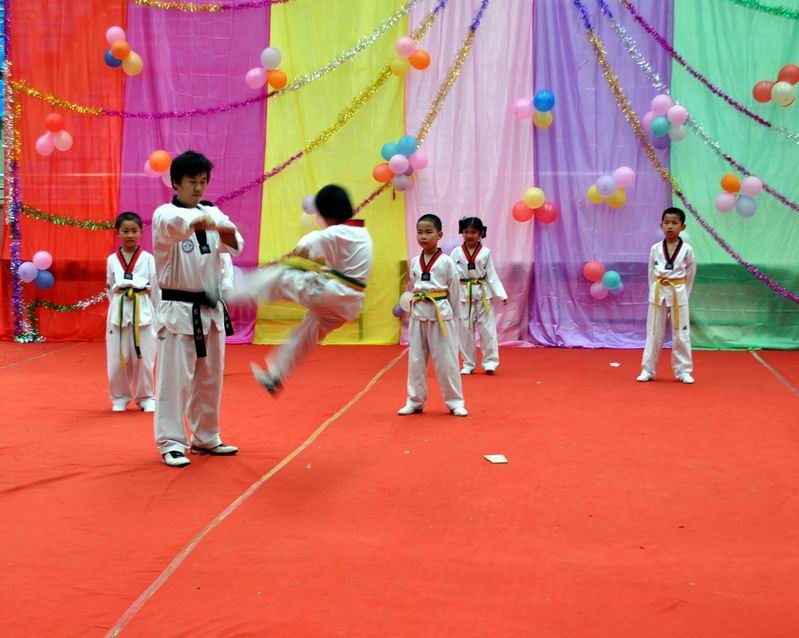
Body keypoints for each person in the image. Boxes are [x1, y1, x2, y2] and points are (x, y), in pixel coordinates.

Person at [228, 185, 373, 393]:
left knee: (281, 276)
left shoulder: (339, 231)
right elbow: (348, 263)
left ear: (327, 214)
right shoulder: (362, 233)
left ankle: (228, 294)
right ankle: (276, 375)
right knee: (305, 334)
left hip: (334, 293)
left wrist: (302, 249)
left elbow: (312, 241)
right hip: (349, 305)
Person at [152, 150, 243, 468]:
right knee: (174, 380)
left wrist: (218, 224)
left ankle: (206, 436)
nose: (199, 188)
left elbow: (235, 242)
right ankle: (171, 442)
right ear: (176, 183)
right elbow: (176, 225)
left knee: (210, 378)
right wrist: (199, 219)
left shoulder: (212, 212)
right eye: (192, 182)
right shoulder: (164, 214)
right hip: (179, 310)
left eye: (203, 181)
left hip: (211, 311)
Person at [398, 214, 467, 417]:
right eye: (420, 232)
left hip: (441, 316)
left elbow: (455, 291)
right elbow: (413, 285)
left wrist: (453, 316)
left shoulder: (446, 262)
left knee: (446, 360)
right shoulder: (414, 262)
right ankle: (414, 400)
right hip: (419, 314)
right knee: (416, 360)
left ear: (440, 235)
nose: (423, 236)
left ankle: (455, 401)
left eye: (429, 232)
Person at [637, 207, 697, 384]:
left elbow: (690, 275)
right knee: (653, 332)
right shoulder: (655, 248)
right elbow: (650, 273)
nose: (670, 226)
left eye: (674, 223)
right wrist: (653, 293)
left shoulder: (687, 250)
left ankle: (683, 370)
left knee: (681, 333)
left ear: (682, 227)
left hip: (679, 292)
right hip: (658, 291)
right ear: (661, 225)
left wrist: (684, 294)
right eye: (666, 222)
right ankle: (648, 369)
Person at [106, 212, 158, 412]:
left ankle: (146, 397)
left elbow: (155, 286)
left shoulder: (148, 259)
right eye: (125, 231)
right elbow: (110, 286)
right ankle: (119, 396)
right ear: (118, 232)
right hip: (119, 311)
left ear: (141, 232)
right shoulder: (112, 259)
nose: (130, 235)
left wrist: (155, 313)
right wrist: (117, 306)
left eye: (134, 231)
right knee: (118, 357)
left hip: (143, 310)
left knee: (144, 357)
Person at [450, 216, 508, 375]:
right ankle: (468, 363)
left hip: (482, 295)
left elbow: (491, 275)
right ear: (462, 232)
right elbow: (451, 275)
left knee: (487, 330)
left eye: (473, 232)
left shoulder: (485, 252)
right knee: (464, 331)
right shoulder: (455, 253)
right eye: (466, 232)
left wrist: (501, 294)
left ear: (481, 233)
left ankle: (490, 362)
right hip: (463, 294)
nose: (469, 235)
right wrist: (448, 295)